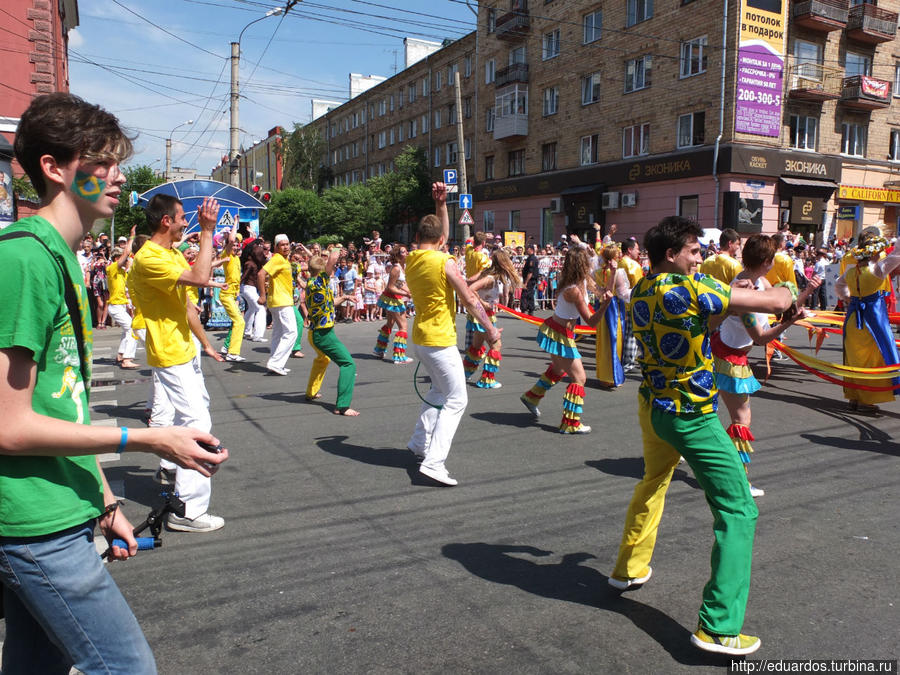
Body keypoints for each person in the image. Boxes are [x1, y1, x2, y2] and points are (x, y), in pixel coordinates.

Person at [0, 92, 227, 674]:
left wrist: (102, 501)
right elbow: (9, 426)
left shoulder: (62, 257)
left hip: (61, 509)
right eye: (100, 162)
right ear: (54, 168)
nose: (118, 176)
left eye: (116, 161)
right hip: (33, 522)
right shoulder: (22, 262)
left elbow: (66, 401)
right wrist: (150, 440)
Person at [608, 216, 794, 656]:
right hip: (691, 413)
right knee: (739, 509)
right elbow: (774, 298)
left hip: (654, 407)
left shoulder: (642, 288)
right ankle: (718, 626)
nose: (701, 258)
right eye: (694, 251)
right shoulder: (692, 288)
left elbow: (707, 321)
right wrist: (785, 289)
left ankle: (627, 568)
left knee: (653, 482)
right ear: (671, 254)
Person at [130, 193, 228, 533]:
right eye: (183, 217)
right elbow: (199, 278)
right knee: (197, 423)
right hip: (170, 352)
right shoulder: (150, 258)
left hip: (182, 349)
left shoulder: (166, 254)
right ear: (165, 221)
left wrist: (205, 344)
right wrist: (207, 230)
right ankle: (188, 511)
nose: (187, 221)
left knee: (194, 412)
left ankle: (171, 468)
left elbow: (188, 301)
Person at [406, 183, 500, 486]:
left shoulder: (412, 258)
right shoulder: (444, 262)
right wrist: (490, 329)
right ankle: (434, 463)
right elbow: (470, 300)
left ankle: (419, 443)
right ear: (443, 241)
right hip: (438, 340)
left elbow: (439, 237)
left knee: (437, 391)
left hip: (419, 337)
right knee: (457, 399)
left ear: (417, 238)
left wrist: (442, 205)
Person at [712, 234, 820, 497]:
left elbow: (784, 308)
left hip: (728, 352)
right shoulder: (745, 289)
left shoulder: (758, 281)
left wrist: (806, 293)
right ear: (769, 261)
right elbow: (760, 337)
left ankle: (701, 462)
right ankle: (738, 482)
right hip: (727, 356)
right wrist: (790, 323)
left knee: (708, 415)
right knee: (740, 419)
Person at [520, 247, 609, 433]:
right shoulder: (574, 290)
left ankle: (531, 396)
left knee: (558, 369)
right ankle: (570, 423)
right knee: (579, 378)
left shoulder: (578, 282)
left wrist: (613, 274)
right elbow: (591, 322)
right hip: (560, 334)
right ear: (582, 265)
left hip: (557, 330)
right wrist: (605, 306)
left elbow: (601, 290)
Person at [836, 232, 900, 414]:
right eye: (879, 250)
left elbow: (838, 286)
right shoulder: (877, 269)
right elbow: (897, 256)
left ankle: (854, 398)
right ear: (873, 252)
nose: (881, 254)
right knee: (870, 361)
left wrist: (850, 298)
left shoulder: (850, 271)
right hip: (871, 321)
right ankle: (866, 401)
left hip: (853, 318)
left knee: (854, 359)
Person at [302, 248, 359, 415]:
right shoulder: (319, 281)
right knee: (348, 364)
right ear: (321, 271)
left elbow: (329, 302)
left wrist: (346, 297)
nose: (332, 270)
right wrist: (336, 250)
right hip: (323, 334)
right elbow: (332, 260)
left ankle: (311, 392)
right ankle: (342, 406)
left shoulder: (313, 284)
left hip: (316, 333)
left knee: (322, 359)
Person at [463, 249, 521, 388]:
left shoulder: (493, 277)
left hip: (484, 315)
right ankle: (486, 379)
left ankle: (465, 373)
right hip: (483, 315)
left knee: (476, 347)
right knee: (496, 345)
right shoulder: (490, 278)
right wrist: (484, 304)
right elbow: (470, 289)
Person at [257, 234, 297, 375]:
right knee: (291, 332)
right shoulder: (278, 259)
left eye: (287, 244)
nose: (286, 247)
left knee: (278, 333)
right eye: (282, 245)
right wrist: (262, 295)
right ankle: (275, 363)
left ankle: (275, 364)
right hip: (281, 301)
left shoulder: (284, 260)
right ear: (276, 247)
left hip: (279, 300)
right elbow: (261, 274)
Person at [594, 244, 630, 389]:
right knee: (615, 340)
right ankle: (612, 376)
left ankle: (604, 376)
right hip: (614, 307)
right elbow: (621, 293)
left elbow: (598, 291)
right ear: (615, 257)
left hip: (601, 307)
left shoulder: (596, 272)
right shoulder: (618, 272)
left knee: (603, 341)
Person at [373, 245, 414, 363]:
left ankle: (379, 349)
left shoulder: (402, 267)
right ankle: (399, 356)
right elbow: (390, 287)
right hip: (393, 299)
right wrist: (406, 294)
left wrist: (408, 291)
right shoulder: (396, 268)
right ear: (397, 255)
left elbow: (400, 283)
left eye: (406, 251)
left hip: (392, 298)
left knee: (390, 323)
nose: (407, 253)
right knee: (403, 326)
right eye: (403, 252)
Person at [106, 226, 139, 369]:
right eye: (123, 258)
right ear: (116, 258)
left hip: (120, 306)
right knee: (132, 330)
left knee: (128, 330)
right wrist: (132, 236)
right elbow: (127, 252)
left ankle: (120, 355)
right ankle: (127, 359)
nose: (126, 260)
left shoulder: (122, 272)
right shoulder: (112, 268)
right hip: (115, 306)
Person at [218, 228, 246, 362]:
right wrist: (235, 223)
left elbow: (237, 280)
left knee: (236, 322)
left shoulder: (237, 259)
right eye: (233, 244)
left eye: (237, 244)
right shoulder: (226, 255)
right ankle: (232, 353)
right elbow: (230, 240)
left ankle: (226, 347)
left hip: (233, 295)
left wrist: (237, 297)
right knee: (239, 322)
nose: (235, 246)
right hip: (226, 294)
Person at [619, 237, 644, 372]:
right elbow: (639, 286)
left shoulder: (619, 263)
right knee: (631, 334)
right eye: (637, 249)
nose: (639, 252)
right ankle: (628, 363)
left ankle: (625, 361)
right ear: (629, 250)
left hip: (619, 303)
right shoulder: (633, 265)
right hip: (632, 303)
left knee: (624, 334)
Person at [240, 238, 268, 342]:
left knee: (251, 309)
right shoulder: (250, 264)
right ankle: (257, 335)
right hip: (248, 288)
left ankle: (247, 332)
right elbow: (244, 276)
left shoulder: (250, 262)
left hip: (248, 288)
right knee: (260, 309)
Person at [520, 243, 539, 315]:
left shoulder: (532, 259)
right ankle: (530, 310)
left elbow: (530, 272)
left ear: (531, 250)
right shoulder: (530, 258)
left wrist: (526, 282)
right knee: (530, 295)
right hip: (530, 280)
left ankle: (524, 310)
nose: (526, 251)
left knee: (525, 295)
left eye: (527, 249)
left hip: (530, 280)